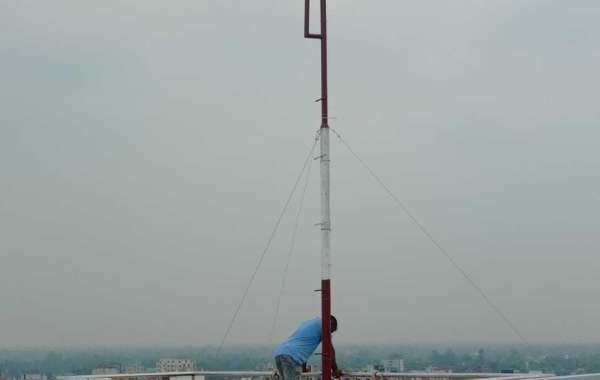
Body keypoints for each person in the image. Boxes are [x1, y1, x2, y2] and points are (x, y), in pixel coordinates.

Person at [274, 316, 342, 380]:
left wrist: (304, 369)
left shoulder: (310, 323)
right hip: (289, 356)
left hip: (280, 352)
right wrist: (335, 370)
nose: (330, 334)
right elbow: (330, 350)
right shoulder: (324, 326)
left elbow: (302, 347)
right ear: (331, 324)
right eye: (331, 331)